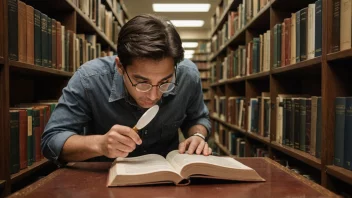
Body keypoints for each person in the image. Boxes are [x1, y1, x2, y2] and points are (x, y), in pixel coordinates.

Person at [41, 14, 211, 167]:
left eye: (165, 82)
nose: (153, 96)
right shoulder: (89, 79)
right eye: (141, 82)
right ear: (120, 66)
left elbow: (198, 118)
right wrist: (99, 144)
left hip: (168, 180)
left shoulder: (187, 76)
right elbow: (52, 140)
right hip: (104, 178)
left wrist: (197, 136)